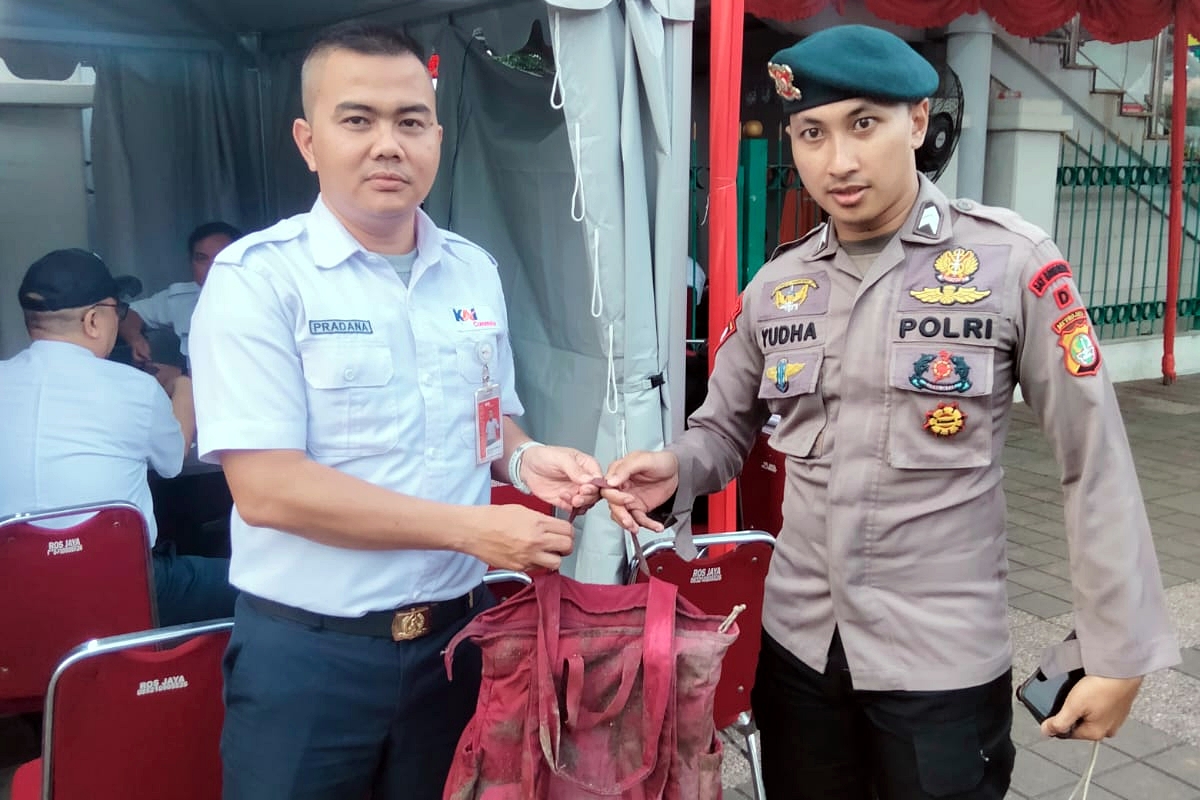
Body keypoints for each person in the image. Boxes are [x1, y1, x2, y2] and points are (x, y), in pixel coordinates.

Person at [601, 25, 1180, 800]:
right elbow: (723, 429)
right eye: (812, 133)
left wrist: (1116, 649)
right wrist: (675, 469)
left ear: (916, 122)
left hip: (940, 667)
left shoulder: (1011, 264)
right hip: (800, 654)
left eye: (863, 124)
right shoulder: (779, 287)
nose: (838, 161)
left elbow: (1093, 459)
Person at [187, 22, 603, 800]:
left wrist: (525, 459)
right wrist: (470, 531)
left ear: (437, 138)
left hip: (454, 646)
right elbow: (269, 489)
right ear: (309, 142)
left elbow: (489, 421)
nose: (388, 144)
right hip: (310, 661)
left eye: (411, 121)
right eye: (358, 120)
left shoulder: (473, 271)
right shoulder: (258, 280)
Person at [0, 249, 238, 627]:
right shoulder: (134, 387)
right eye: (118, 311)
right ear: (94, 320)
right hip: (122, 588)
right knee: (257, 587)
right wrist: (184, 387)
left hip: (16, 598)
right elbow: (172, 461)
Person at [118, 221, 242, 368]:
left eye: (221, 258)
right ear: (191, 263)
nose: (211, 268)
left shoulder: (261, 301)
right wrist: (135, 339)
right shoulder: (182, 299)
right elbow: (125, 314)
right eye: (202, 259)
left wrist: (179, 375)